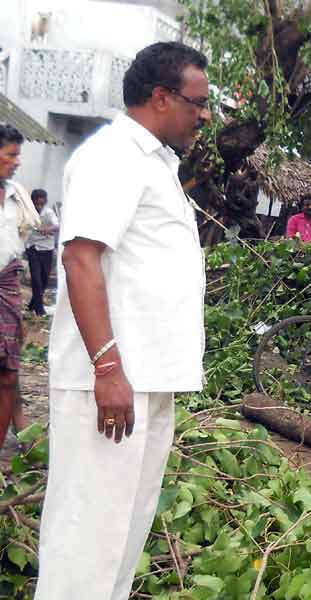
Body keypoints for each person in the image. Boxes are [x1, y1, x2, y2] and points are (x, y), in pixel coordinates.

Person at [36, 42, 210, 600]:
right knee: (85, 542)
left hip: (148, 381)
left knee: (122, 541)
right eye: (198, 102)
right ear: (161, 98)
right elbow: (80, 258)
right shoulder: (112, 155)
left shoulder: (154, 161)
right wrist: (108, 369)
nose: (205, 115)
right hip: (109, 385)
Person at [0, 124, 42, 451]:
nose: (16, 162)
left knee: (8, 372)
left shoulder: (17, 196)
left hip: (7, 286)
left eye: (18, 155)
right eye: (11, 154)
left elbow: (19, 241)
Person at [25, 188, 59, 315]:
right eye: (37, 204)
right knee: (36, 279)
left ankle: (32, 304)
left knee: (44, 279)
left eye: (42, 204)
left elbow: (56, 225)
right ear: (32, 202)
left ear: (45, 202)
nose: (39, 206)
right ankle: (39, 309)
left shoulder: (49, 212)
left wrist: (48, 228)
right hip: (33, 247)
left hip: (47, 249)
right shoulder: (28, 212)